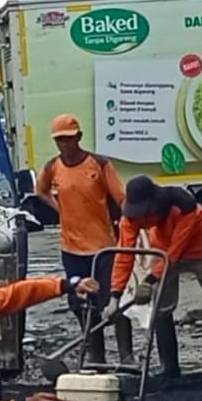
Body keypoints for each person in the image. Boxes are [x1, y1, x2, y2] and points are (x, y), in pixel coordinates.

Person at [109, 176, 202, 378]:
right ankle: (170, 368)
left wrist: (149, 281)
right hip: (163, 251)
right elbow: (124, 255)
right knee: (161, 307)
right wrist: (115, 296)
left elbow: (175, 252)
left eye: (144, 217)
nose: (141, 222)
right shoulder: (131, 218)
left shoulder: (183, 206)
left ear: (154, 208)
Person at [33, 114, 133, 366]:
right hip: (72, 249)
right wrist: (60, 209)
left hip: (103, 247)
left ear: (78, 137)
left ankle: (126, 356)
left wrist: (129, 226)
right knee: (82, 304)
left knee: (112, 300)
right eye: (60, 140)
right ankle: (96, 357)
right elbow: (40, 191)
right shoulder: (52, 168)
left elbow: (120, 198)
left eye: (69, 139)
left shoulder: (98, 164)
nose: (65, 145)